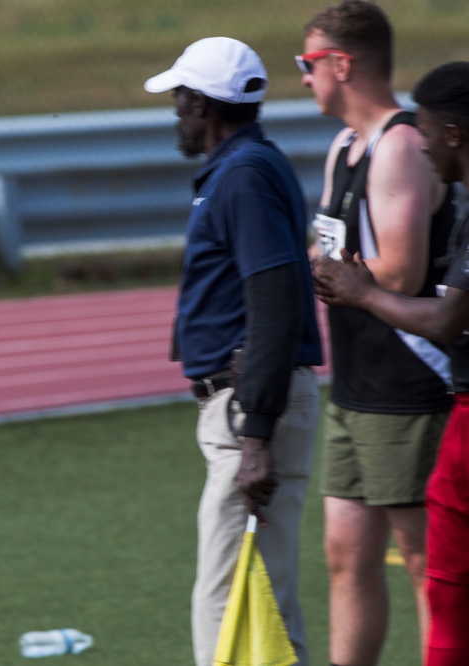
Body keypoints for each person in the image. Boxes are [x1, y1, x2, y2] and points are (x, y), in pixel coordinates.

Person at [143, 37, 323, 666]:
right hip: (253, 405)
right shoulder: (247, 167)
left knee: (228, 606)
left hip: (251, 408)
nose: (175, 112)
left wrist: (256, 435)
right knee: (261, 601)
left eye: (179, 99)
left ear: (201, 103)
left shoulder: (243, 175)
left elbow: (274, 301)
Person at [300, 3, 456, 663]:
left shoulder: (400, 146)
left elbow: (399, 272)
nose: (303, 78)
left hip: (408, 383)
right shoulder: (344, 146)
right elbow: (324, 249)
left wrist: (332, 271)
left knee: (425, 561)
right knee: (344, 554)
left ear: (343, 64)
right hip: (355, 383)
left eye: (308, 64)